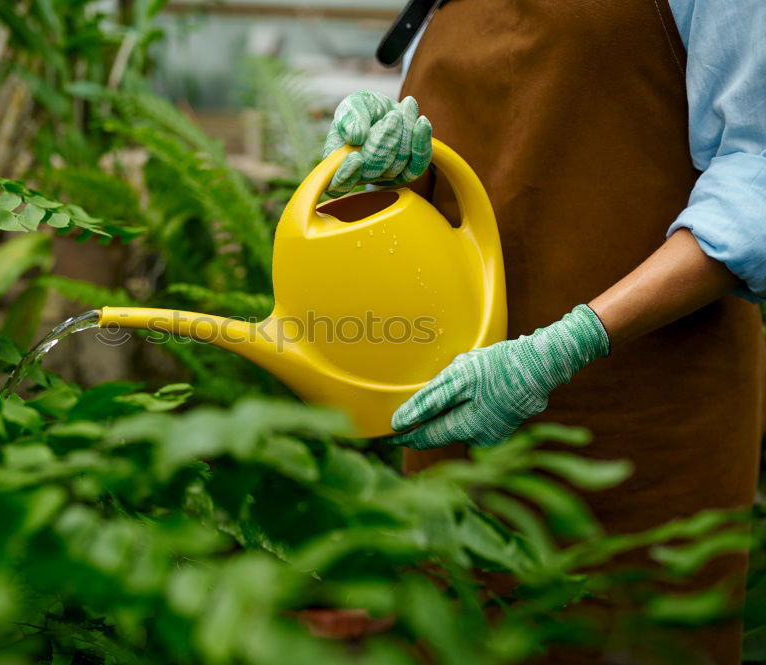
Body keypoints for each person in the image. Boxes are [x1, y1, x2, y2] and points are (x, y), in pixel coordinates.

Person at [323, 1, 765, 662]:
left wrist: (570, 341)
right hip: (457, 422)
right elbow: (477, 157)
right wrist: (382, 166)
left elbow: (754, 174)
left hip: (640, 428)